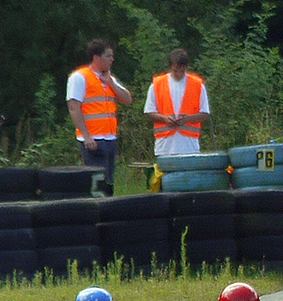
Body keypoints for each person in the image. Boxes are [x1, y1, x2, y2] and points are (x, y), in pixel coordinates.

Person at [66, 39, 133, 196]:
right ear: (97, 58)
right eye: (108, 56)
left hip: (109, 138)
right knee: (97, 182)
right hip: (93, 139)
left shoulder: (109, 78)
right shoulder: (80, 77)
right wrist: (87, 137)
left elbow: (127, 99)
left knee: (109, 181)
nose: (112, 59)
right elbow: (74, 107)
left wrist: (110, 83)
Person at [144, 48, 210, 157]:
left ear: (186, 67)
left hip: (190, 145)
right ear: (171, 67)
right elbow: (149, 111)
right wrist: (165, 119)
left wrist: (188, 119)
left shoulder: (198, 85)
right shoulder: (157, 84)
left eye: (182, 70)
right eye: (176, 71)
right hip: (164, 145)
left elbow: (205, 113)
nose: (179, 74)